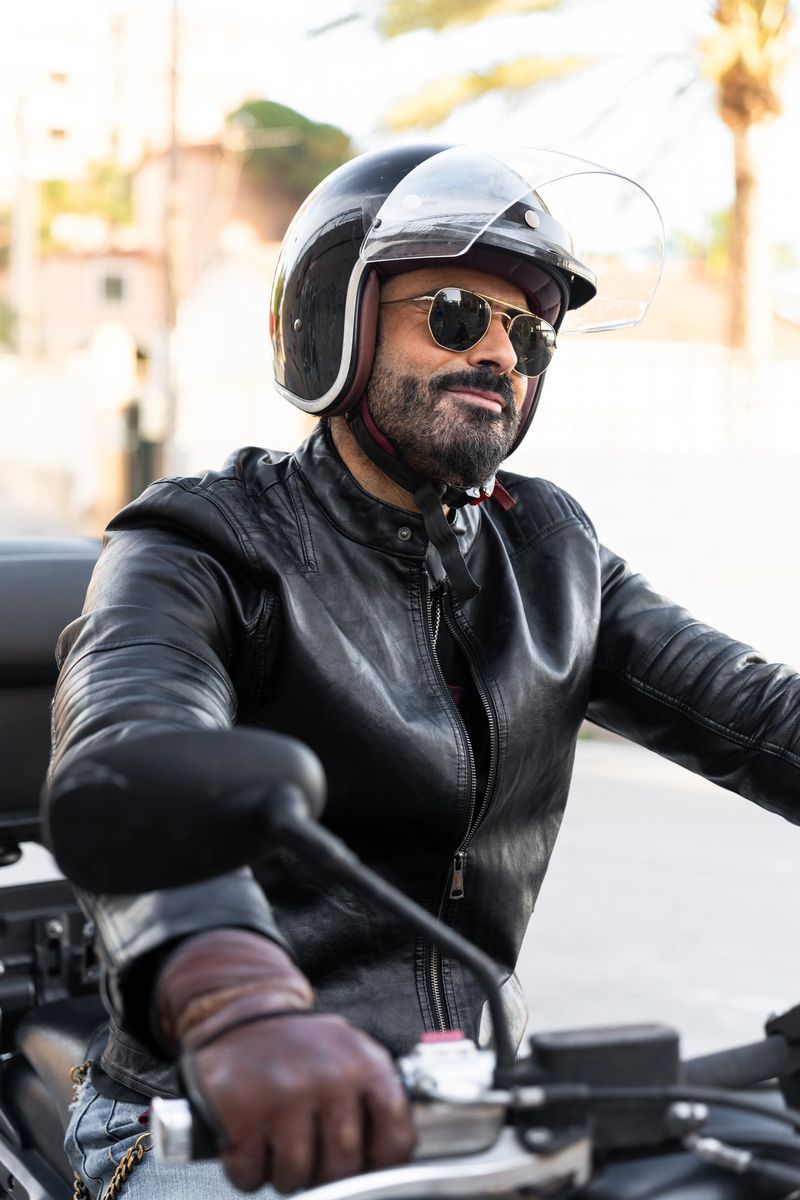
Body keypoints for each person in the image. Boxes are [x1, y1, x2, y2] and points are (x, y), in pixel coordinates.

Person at [47, 143, 800, 1199]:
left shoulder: (552, 553)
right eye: (451, 313)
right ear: (335, 328)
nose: (496, 350)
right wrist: (231, 994)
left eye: (524, 331)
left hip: (475, 1099)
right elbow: (135, 737)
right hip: (218, 1103)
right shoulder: (204, 541)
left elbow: (759, 715)